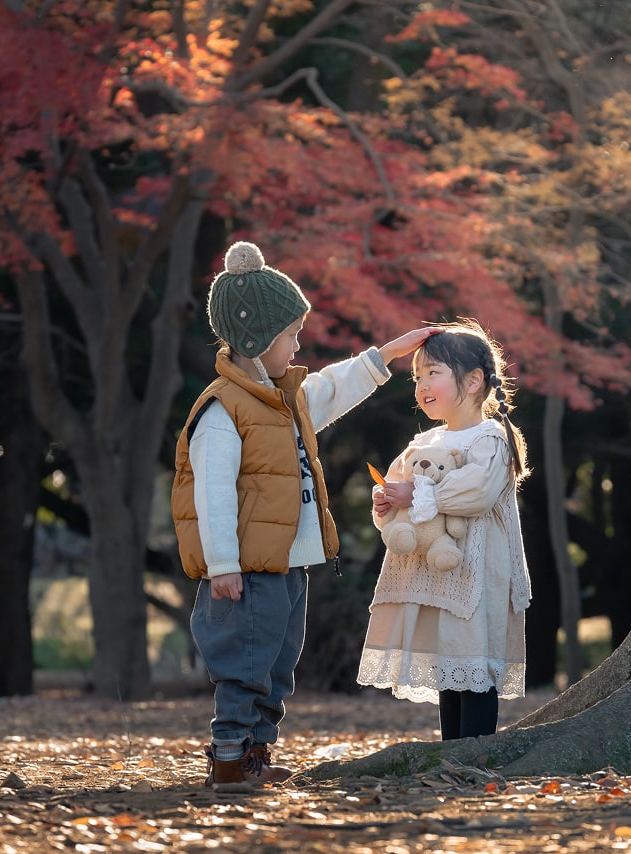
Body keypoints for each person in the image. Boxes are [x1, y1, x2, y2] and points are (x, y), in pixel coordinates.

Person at [171, 240, 437, 786]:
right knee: (243, 662)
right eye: (290, 335)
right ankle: (228, 757)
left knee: (277, 663)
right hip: (245, 568)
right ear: (256, 339)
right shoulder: (223, 410)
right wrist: (221, 564)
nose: (298, 344)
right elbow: (212, 493)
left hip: (290, 561)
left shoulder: (285, 399)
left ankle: (258, 755)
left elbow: (333, 387)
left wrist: (386, 354)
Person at [356, 318, 533, 740]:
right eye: (417, 376)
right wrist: (386, 502)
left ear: (473, 381)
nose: (421, 384)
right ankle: (451, 754)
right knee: (448, 665)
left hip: (476, 573)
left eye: (432, 372)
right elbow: (396, 486)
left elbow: (475, 493)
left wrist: (412, 494)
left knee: (473, 663)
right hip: (435, 576)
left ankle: (474, 755)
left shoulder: (490, 439)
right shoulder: (424, 444)